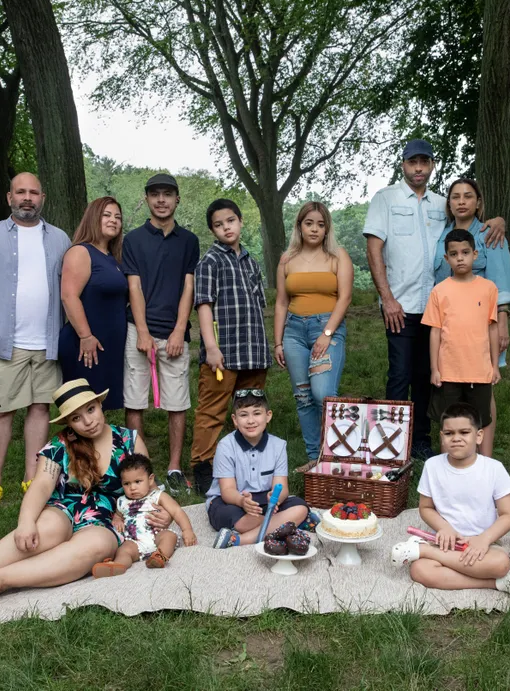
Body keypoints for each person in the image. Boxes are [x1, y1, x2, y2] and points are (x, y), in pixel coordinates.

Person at [0, 379, 173, 614]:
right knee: (45, 529)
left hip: (108, 518)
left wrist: (161, 511)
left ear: (100, 405)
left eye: (91, 410)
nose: (88, 422)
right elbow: (40, 486)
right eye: (77, 418)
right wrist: (25, 522)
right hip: (64, 508)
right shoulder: (60, 444)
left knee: (97, 546)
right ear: (68, 422)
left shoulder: (129, 440)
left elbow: (149, 484)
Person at [364, 140, 505, 458]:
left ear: (431, 166)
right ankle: (393, 442)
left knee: (429, 375)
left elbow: (467, 225)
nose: (418, 168)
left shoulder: (441, 204)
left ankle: (422, 439)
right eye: (412, 162)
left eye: (424, 162)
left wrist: (497, 221)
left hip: (440, 307)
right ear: (403, 165)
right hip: (400, 305)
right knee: (400, 374)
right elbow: (374, 249)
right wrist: (386, 298)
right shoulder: (385, 199)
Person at [0, 172, 70, 505]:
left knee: (40, 407)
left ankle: (32, 479)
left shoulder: (59, 239)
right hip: (5, 343)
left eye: (34, 192)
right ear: (9, 197)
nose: (27, 198)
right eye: (20, 192)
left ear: (43, 198)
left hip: (48, 342)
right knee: (2, 410)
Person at [121, 174, 200, 496]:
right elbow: (134, 286)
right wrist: (142, 331)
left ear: (177, 199)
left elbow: (189, 286)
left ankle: (175, 467)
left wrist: (180, 329)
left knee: (177, 402)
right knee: (134, 400)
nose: (161, 200)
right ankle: (141, 467)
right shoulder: (133, 239)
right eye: (155, 195)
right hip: (137, 328)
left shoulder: (189, 240)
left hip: (175, 330)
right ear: (147, 199)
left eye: (167, 194)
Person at [390, 403, 510, 593]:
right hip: (444, 542)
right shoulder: (432, 466)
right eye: (449, 433)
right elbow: (425, 508)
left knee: (501, 564)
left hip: (483, 543)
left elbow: (508, 514)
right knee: (419, 570)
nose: (456, 438)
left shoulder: (494, 468)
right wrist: (445, 528)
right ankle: (494, 583)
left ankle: (424, 551)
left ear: (479, 436)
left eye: (464, 432)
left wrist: (484, 539)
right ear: (442, 437)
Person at [191, 199, 271, 494]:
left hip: (254, 350)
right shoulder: (210, 261)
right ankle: (203, 465)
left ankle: (249, 461)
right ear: (213, 229)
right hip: (224, 352)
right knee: (213, 410)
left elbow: (258, 305)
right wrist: (211, 347)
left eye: (230, 221)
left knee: (251, 408)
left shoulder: (251, 261)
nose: (226, 227)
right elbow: (203, 304)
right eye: (218, 224)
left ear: (240, 221)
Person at [434, 178, 510, 453]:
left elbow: (501, 281)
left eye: (468, 196)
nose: (461, 201)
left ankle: (485, 456)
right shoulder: (441, 235)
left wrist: (502, 319)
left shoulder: (489, 233)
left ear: (478, 202)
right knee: (449, 388)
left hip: (483, 324)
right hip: (448, 325)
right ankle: (452, 451)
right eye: (455, 197)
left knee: (483, 387)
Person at [273, 202, 354, 461]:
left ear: (327, 228)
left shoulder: (338, 256)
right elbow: (281, 302)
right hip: (294, 332)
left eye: (321, 224)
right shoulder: (287, 259)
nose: (315, 229)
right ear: (299, 226)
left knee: (323, 394)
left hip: (326, 328)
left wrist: (327, 334)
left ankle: (337, 454)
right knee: (304, 397)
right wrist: (277, 343)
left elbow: (345, 298)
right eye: (309, 223)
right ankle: (314, 458)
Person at [422, 228, 501, 457]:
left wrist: (495, 365)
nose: (460, 258)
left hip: (479, 370)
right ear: (447, 258)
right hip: (449, 371)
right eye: (454, 254)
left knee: (482, 418)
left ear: (475, 254)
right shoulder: (440, 291)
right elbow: (435, 332)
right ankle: (447, 462)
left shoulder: (488, 288)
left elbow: (492, 328)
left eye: (465, 252)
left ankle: (484, 462)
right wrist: (435, 369)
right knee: (448, 419)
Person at [206, 389, 310, 548]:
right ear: (235, 419)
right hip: (233, 499)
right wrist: (241, 501)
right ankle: (288, 526)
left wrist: (276, 499)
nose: (250, 420)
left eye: (256, 413)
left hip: (265, 500)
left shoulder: (278, 445)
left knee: (300, 507)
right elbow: (227, 490)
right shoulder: (225, 446)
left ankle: (239, 540)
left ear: (268, 416)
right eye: (243, 415)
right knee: (238, 520)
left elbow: (281, 487)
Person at [58, 197, 127, 411]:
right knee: (83, 410)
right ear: (93, 218)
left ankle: (98, 446)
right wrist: (86, 336)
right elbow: (69, 296)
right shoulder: (81, 251)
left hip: (108, 347)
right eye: (106, 215)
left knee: (99, 410)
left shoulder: (112, 258)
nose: (113, 220)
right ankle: (74, 446)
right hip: (86, 347)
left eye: (118, 217)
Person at [90, 454, 197, 576]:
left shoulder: (157, 496)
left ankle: (160, 556)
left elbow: (176, 511)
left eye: (137, 481)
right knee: (124, 550)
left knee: (169, 537)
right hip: (135, 542)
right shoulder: (122, 501)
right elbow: (118, 515)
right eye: (126, 484)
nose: (132, 487)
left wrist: (187, 530)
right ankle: (117, 566)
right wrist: (117, 520)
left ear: (150, 479)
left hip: (157, 535)